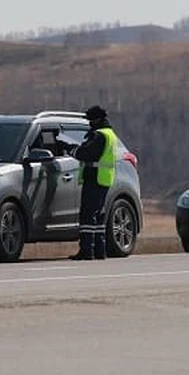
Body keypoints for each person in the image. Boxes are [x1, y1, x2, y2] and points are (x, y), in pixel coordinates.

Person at [71, 105, 120, 260]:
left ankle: (87, 251)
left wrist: (71, 149)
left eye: (90, 120)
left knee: (87, 215)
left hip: (95, 177)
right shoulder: (110, 134)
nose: (89, 123)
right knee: (98, 216)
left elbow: (87, 154)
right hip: (104, 178)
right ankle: (100, 251)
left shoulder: (99, 135)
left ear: (96, 119)